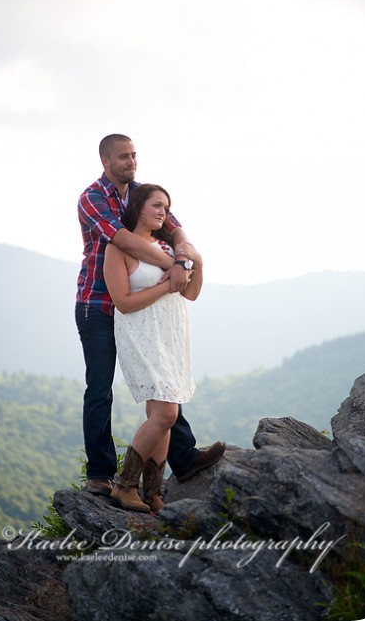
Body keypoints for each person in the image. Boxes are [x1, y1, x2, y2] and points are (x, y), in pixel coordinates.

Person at [75, 134, 225, 497]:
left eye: (134, 155)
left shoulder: (143, 194)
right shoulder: (93, 198)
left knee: (162, 384)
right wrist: (175, 262)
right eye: (123, 157)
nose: (131, 162)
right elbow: (123, 240)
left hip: (143, 312)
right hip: (99, 304)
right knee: (100, 388)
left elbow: (176, 230)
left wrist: (187, 255)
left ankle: (182, 460)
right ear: (106, 161)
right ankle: (101, 474)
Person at [103, 184, 203, 512]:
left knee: (161, 417)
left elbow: (189, 294)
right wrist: (163, 287)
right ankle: (125, 485)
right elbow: (124, 303)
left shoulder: (167, 248)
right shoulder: (118, 249)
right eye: (156, 205)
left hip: (170, 337)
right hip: (141, 336)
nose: (163, 212)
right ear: (137, 208)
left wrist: (195, 264)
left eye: (166, 206)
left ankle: (153, 494)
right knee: (166, 413)